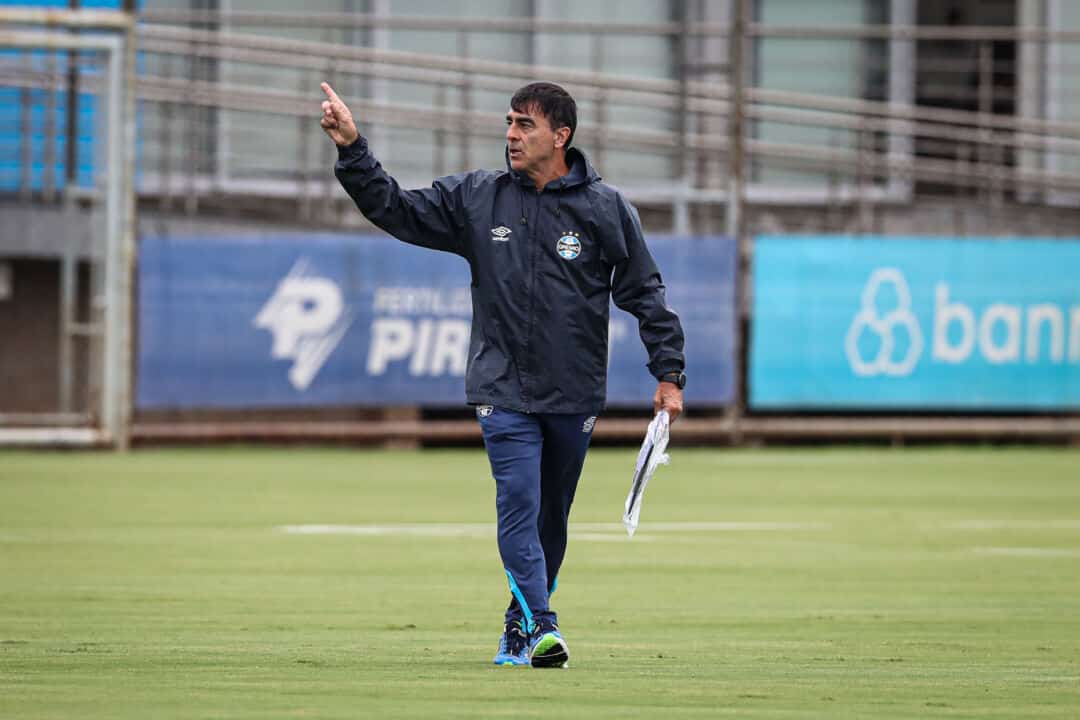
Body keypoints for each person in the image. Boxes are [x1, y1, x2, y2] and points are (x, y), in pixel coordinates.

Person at [320, 80, 686, 668]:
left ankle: (518, 625)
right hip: (502, 388)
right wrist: (352, 147)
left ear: (560, 136)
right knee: (517, 499)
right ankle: (544, 625)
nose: (512, 135)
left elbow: (645, 292)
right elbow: (394, 207)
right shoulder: (477, 197)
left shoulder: (606, 208)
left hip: (574, 391)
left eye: (525, 125)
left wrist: (669, 375)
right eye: (509, 123)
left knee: (551, 518)